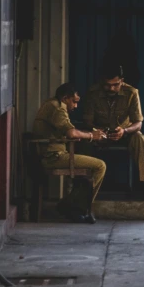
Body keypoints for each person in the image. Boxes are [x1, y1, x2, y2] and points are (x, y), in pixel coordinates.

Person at [32, 83, 107, 223]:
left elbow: (68, 132)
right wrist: (92, 136)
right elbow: (72, 133)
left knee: (87, 161)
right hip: (53, 157)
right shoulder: (58, 108)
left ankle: (69, 203)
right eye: (74, 101)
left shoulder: (51, 103)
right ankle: (76, 207)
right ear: (65, 98)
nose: (76, 106)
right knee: (100, 166)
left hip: (51, 154)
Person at [83, 65, 144, 199]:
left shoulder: (131, 92)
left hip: (124, 133)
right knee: (84, 140)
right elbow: (87, 122)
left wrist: (124, 131)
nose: (111, 89)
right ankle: (84, 187)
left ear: (122, 80)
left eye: (115, 85)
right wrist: (97, 132)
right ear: (102, 81)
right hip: (99, 134)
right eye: (107, 85)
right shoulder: (93, 93)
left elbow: (138, 123)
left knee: (140, 139)